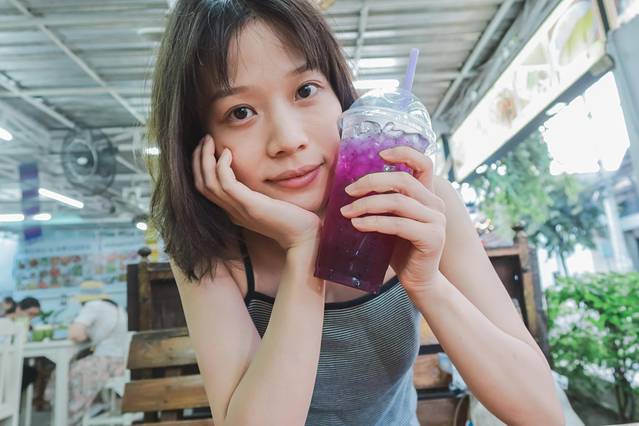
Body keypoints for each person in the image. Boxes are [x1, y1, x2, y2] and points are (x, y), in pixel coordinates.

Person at [148, 1, 564, 424]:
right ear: (199, 142)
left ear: (341, 97)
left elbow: (541, 413)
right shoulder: (210, 248)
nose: (288, 139)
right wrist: (304, 248)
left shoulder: (418, 202)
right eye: (240, 112)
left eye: (305, 90)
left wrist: (426, 281)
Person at [44, 290, 127, 425]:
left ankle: (67, 416)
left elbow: (75, 334)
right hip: (120, 362)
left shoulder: (93, 306)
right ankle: (94, 406)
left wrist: (84, 333)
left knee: (62, 373)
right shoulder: (117, 308)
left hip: (105, 361)